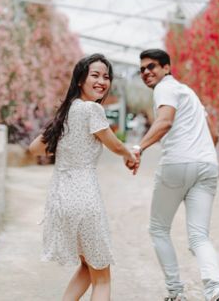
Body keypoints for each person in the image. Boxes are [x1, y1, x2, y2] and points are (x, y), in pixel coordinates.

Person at [29, 53, 139, 301]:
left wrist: (65, 139)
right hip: (85, 199)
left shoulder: (67, 111)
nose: (102, 81)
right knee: (102, 278)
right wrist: (129, 154)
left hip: (60, 198)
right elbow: (114, 144)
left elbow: (36, 148)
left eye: (106, 77)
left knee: (89, 267)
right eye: (95, 75)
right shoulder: (92, 109)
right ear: (81, 80)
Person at [131, 49, 219, 301]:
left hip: (177, 164)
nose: (146, 72)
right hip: (207, 166)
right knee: (199, 235)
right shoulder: (190, 94)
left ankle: (176, 293)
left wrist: (138, 148)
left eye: (151, 66)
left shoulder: (165, 88)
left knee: (158, 229)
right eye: (142, 69)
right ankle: (216, 290)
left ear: (167, 68)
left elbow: (165, 122)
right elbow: (214, 134)